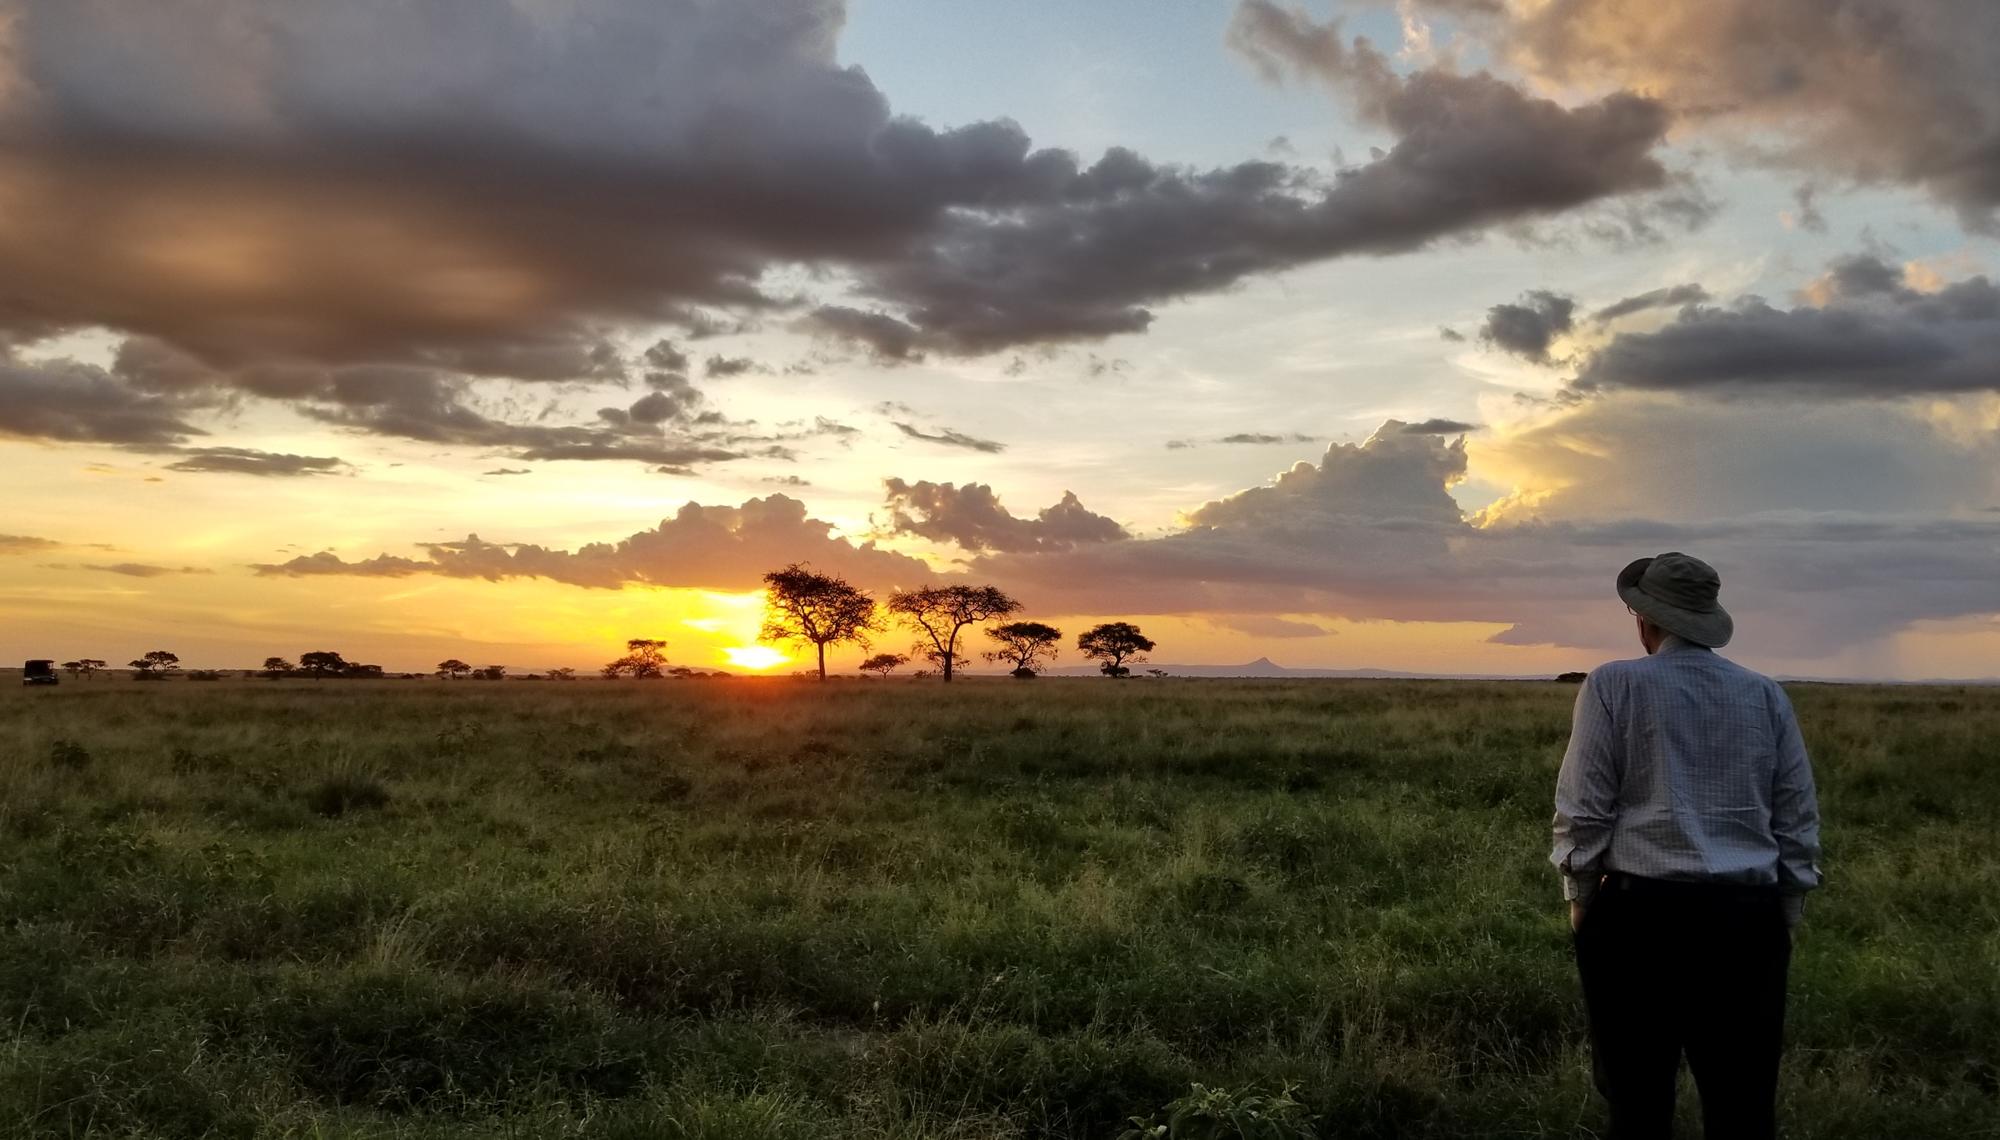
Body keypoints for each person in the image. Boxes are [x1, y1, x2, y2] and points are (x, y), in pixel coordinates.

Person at [1552, 552, 1822, 1140]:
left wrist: (1579, 897)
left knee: (1637, 1099)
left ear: (1644, 620)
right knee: (1743, 1102)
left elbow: (1584, 807)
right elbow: (1796, 811)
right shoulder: (1765, 694)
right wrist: (1788, 906)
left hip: (1637, 917)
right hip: (1746, 920)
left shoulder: (1612, 683)